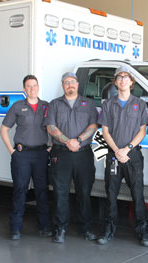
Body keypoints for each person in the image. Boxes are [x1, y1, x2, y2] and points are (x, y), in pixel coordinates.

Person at [97, 66, 148, 247]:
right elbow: (105, 131)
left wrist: (127, 149)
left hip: (132, 156)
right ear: (115, 82)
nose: (122, 80)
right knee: (110, 193)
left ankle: (142, 230)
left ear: (132, 82)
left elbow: (142, 130)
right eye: (119, 77)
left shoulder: (140, 104)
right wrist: (117, 151)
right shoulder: (108, 104)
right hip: (113, 155)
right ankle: (109, 229)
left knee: (138, 193)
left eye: (126, 77)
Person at [44, 72, 98, 244]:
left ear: (77, 84)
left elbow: (93, 125)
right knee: (60, 193)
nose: (70, 85)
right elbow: (51, 127)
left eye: (72, 82)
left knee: (84, 192)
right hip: (61, 154)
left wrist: (79, 141)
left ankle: (86, 228)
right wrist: (68, 142)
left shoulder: (88, 104)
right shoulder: (54, 104)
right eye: (66, 82)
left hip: (83, 154)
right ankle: (60, 228)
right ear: (63, 86)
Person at [0, 74, 52, 240]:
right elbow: (4, 129)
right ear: (24, 89)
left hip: (41, 154)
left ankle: (45, 227)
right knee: (20, 190)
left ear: (38, 87)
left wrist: (50, 147)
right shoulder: (17, 106)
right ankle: (15, 228)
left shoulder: (46, 106)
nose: (32, 89)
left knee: (42, 191)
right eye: (29, 86)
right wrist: (12, 151)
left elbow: (52, 128)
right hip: (22, 155)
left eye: (34, 85)